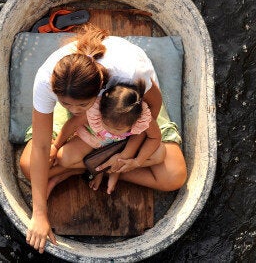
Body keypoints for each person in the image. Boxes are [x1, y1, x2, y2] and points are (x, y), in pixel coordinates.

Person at [18, 24, 186, 254]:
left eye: (82, 105)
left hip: (130, 109)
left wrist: (124, 158)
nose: (73, 109)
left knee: (174, 176)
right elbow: (40, 145)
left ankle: (98, 168)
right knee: (30, 165)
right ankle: (97, 167)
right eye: (65, 104)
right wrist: (39, 214)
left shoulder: (130, 72)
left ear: (99, 92)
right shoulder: (48, 81)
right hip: (94, 127)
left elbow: (153, 105)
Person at [56, 79, 166, 195]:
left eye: (118, 129)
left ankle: (109, 169)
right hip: (93, 138)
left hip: (121, 147)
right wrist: (56, 145)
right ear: (101, 112)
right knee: (63, 158)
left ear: (133, 123)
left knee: (160, 154)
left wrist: (137, 162)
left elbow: (154, 138)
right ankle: (100, 169)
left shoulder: (141, 118)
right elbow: (72, 124)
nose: (111, 131)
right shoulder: (94, 110)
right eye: (106, 124)